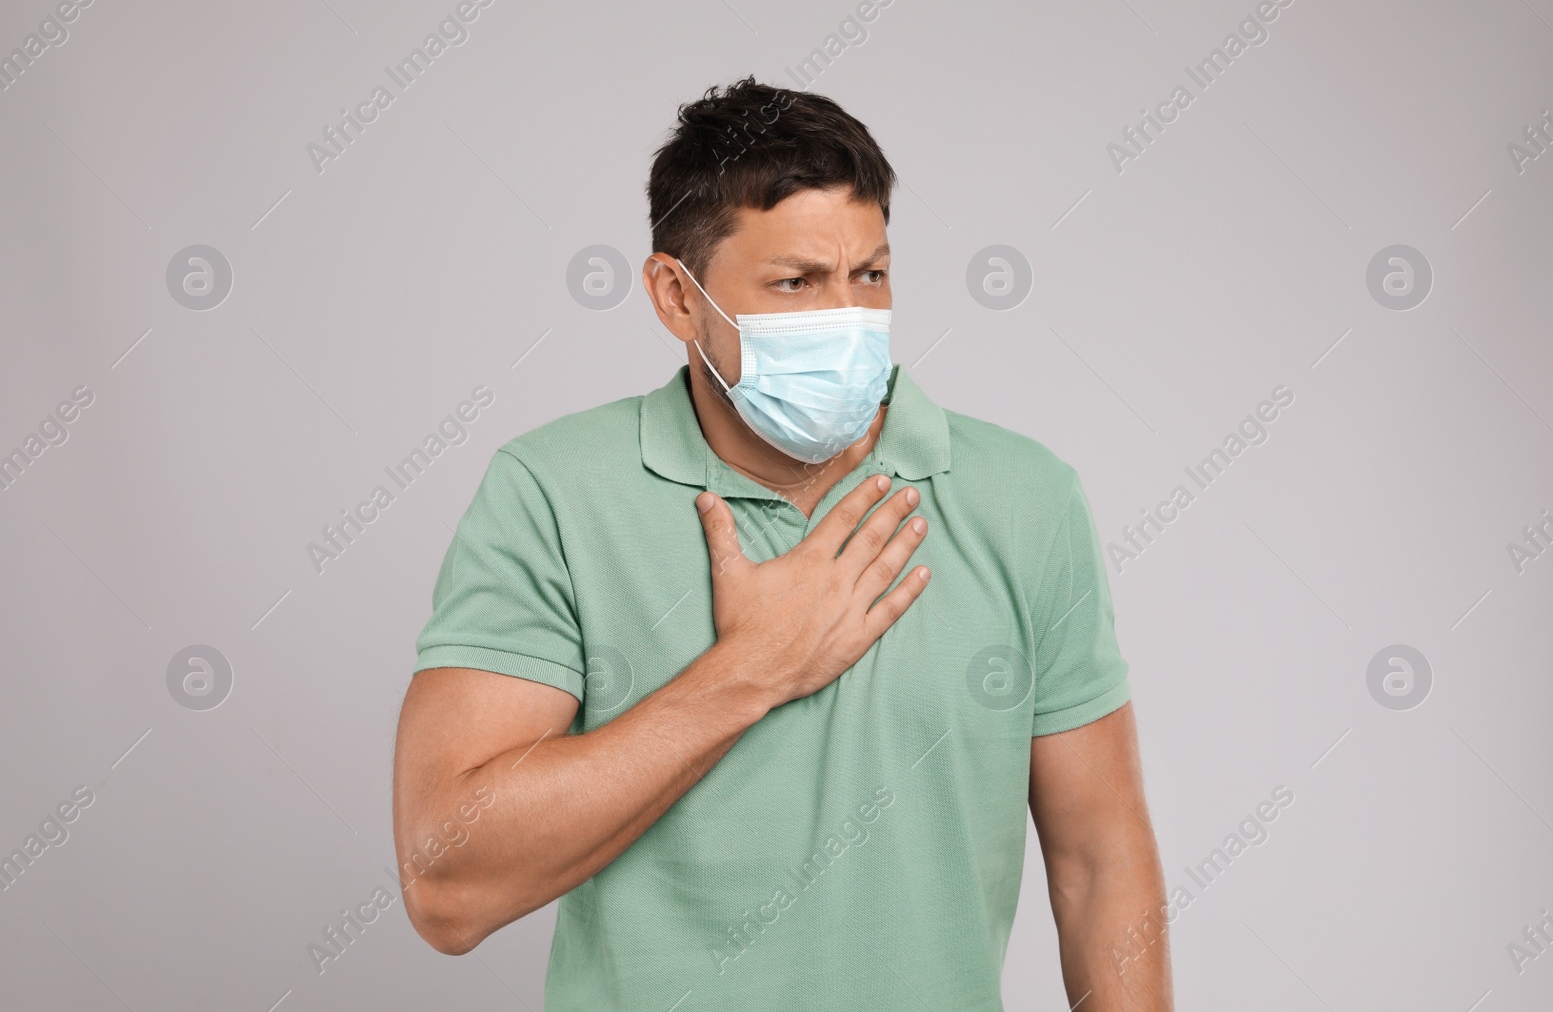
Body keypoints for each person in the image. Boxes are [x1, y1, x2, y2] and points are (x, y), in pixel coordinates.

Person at [391, 75, 1172, 1011]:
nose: (847, 319)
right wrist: (752, 669)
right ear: (677, 298)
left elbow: (1099, 865)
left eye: (870, 275)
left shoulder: (1025, 499)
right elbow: (446, 884)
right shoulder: (554, 494)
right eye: (796, 282)